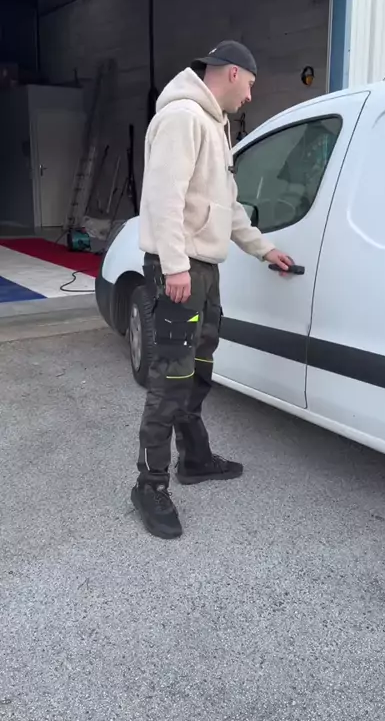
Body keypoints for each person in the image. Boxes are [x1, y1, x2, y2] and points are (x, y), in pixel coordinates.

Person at [132, 40, 293, 539]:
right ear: (232, 73)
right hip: (180, 271)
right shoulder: (183, 117)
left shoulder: (214, 125)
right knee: (170, 379)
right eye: (250, 85)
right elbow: (163, 197)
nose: (249, 97)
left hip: (203, 271)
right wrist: (175, 267)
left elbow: (228, 206)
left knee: (198, 367)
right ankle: (149, 486)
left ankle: (195, 459)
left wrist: (263, 249)